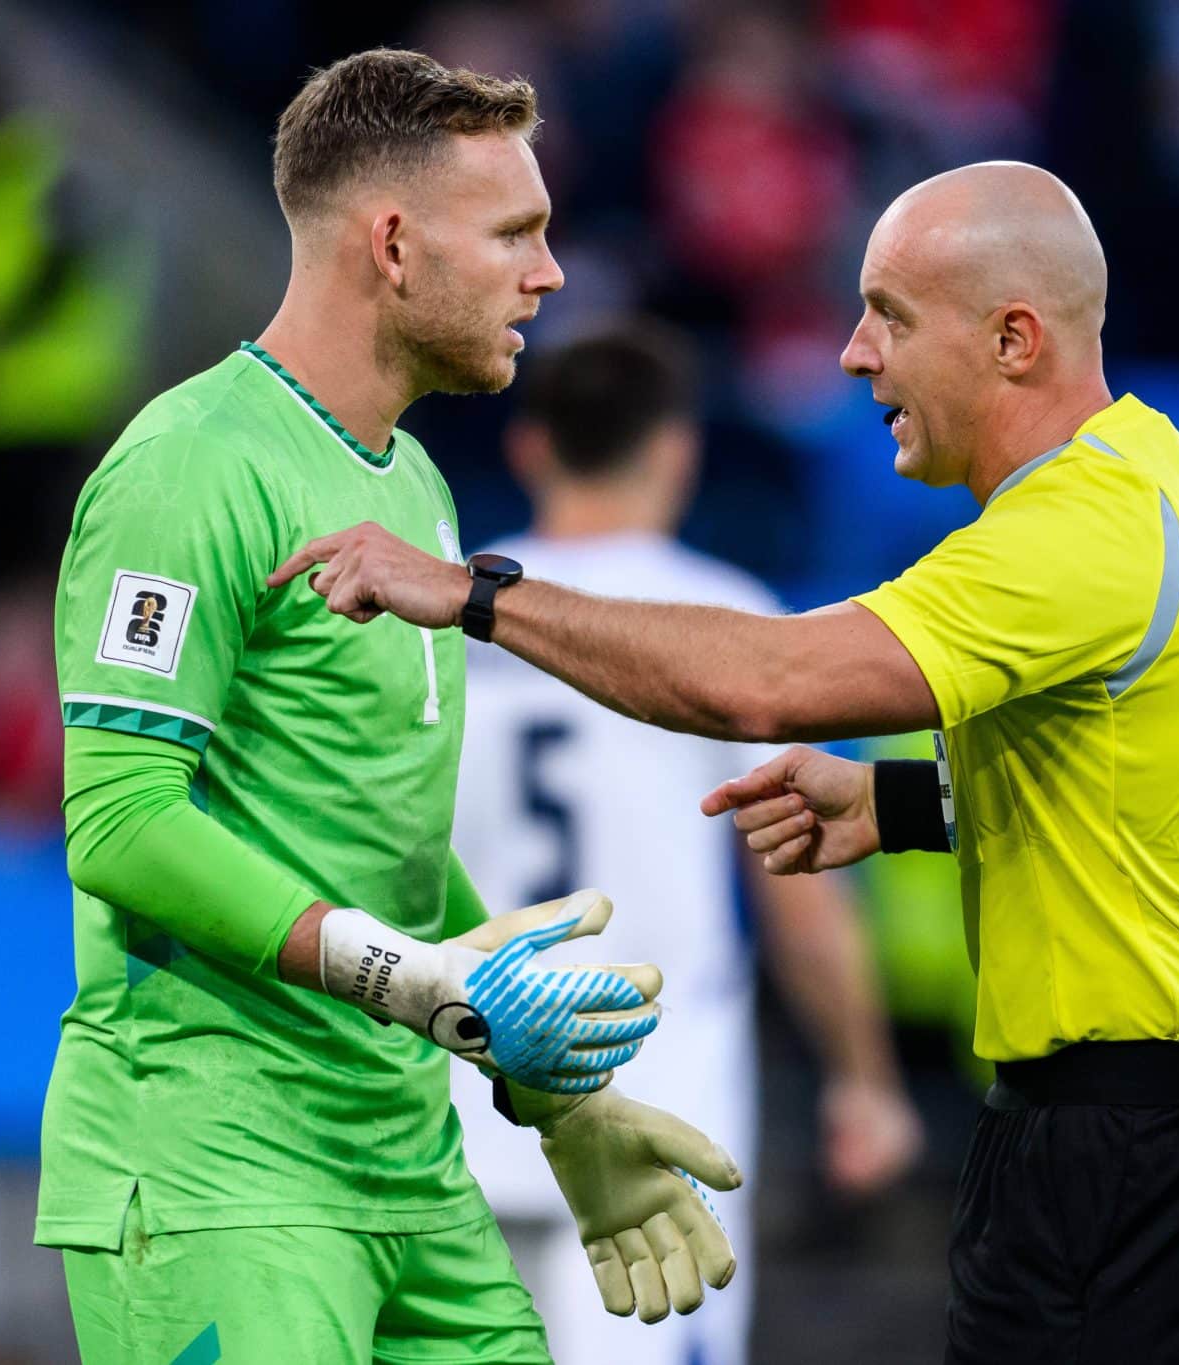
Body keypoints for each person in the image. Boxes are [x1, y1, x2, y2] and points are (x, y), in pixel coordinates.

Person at [273, 159, 1179, 1365]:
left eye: (888, 313)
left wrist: (471, 593)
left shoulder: (1073, 535)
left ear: (1012, 339)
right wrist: (896, 801)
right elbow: (1150, 790)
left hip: (1126, 1139)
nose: (850, 353)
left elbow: (759, 684)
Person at [40, 50, 740, 1364]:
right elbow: (120, 825)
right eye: (517, 234)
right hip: (220, 1180)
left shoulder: (413, 482)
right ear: (395, 242)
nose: (552, 274)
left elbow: (384, 852)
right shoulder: (190, 469)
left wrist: (562, 1105)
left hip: (410, 1173)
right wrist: (416, 983)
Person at [449, 324, 923, 1365]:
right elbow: (800, 895)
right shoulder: (723, 625)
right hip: (650, 1095)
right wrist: (861, 1079)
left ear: (530, 448)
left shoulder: (443, 620)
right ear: (676, 452)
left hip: (453, 1093)